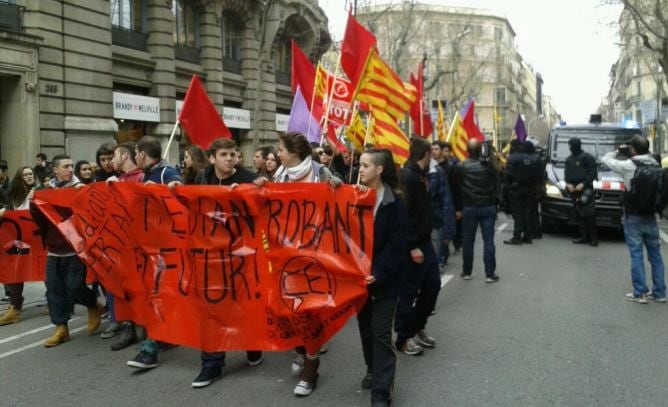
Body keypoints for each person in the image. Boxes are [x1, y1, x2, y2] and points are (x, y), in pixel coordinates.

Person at [270, 131, 340, 397]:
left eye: (280, 149)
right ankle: (302, 349)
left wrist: (338, 186)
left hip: (314, 254)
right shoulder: (279, 175)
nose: (277, 154)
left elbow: (341, 198)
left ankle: (311, 367)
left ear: (294, 153)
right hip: (283, 254)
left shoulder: (321, 173)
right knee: (288, 310)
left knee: (307, 310)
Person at [190, 138, 262, 388]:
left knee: (244, 304)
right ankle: (211, 363)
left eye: (233, 154)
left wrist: (253, 193)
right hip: (210, 255)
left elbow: (260, 215)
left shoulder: (249, 178)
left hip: (242, 254)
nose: (230, 158)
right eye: (224, 154)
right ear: (212, 158)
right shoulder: (202, 178)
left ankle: (252, 343)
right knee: (211, 308)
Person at [29, 155, 104, 347]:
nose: (71, 169)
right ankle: (61, 328)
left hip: (75, 249)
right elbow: (39, 219)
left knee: (75, 287)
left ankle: (93, 305)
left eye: (72, 166)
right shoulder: (44, 192)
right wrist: (33, 201)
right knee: (54, 290)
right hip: (54, 250)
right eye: (66, 166)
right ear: (55, 170)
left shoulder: (80, 189)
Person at [356, 148, 408, 407]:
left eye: (365, 165)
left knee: (379, 333)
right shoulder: (353, 196)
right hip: (357, 280)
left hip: (384, 280)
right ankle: (372, 368)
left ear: (380, 169)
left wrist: (377, 273)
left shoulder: (395, 203)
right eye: (360, 165)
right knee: (366, 330)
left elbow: (398, 246)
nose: (360, 169)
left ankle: (381, 391)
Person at [126, 136, 182, 369]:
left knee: (157, 296)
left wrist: (167, 188)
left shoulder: (165, 172)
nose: (134, 158)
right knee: (155, 295)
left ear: (141, 153)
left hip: (165, 250)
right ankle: (165, 336)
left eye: (136, 154)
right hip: (148, 248)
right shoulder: (145, 174)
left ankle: (150, 350)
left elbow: (178, 186)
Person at [601, 136, 666, 303]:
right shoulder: (656, 163)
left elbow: (605, 159)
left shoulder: (628, 166)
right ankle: (659, 293)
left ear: (633, 149)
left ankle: (640, 293)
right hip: (651, 216)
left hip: (633, 216)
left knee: (636, 254)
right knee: (655, 255)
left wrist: (618, 151)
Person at [394, 137, 441, 356]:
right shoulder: (408, 176)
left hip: (424, 240)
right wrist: (413, 245)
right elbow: (405, 214)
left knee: (433, 285)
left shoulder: (421, 176)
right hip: (411, 244)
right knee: (409, 291)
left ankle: (417, 326)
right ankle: (403, 337)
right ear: (426, 155)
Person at [103, 142, 144, 350]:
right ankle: (128, 326)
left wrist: (119, 189)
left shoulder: (141, 178)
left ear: (126, 156)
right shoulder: (117, 179)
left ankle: (147, 327)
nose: (111, 161)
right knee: (121, 285)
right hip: (119, 243)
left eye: (115, 156)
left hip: (138, 244)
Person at [453, 139, 500, 283]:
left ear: (467, 150)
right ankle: (489, 274)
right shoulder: (490, 166)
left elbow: (457, 189)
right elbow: (498, 179)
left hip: (469, 207)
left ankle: (467, 271)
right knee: (488, 241)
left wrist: (458, 208)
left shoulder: (461, 166)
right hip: (487, 206)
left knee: (468, 240)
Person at [0, 166, 39, 325]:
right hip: (19, 239)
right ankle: (15, 305)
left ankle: (16, 305)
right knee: (14, 270)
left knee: (43, 270)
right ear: (19, 177)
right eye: (25, 174)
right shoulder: (14, 193)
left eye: (31, 174)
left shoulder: (39, 190)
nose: (29, 176)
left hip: (37, 239)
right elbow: (10, 210)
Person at [564, 138, 598, 246]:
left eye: (571, 146)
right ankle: (584, 236)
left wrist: (583, 184)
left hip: (585, 188)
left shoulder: (587, 158)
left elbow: (593, 173)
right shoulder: (569, 159)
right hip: (573, 190)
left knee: (589, 213)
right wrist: (568, 184)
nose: (570, 148)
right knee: (579, 213)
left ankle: (593, 238)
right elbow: (567, 174)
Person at [503, 139, 535, 245]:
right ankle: (527, 236)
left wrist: (508, 186)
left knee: (517, 213)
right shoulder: (528, 158)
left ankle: (517, 237)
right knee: (526, 212)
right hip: (527, 189)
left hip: (515, 189)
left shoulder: (512, 158)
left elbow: (508, 175)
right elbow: (532, 175)